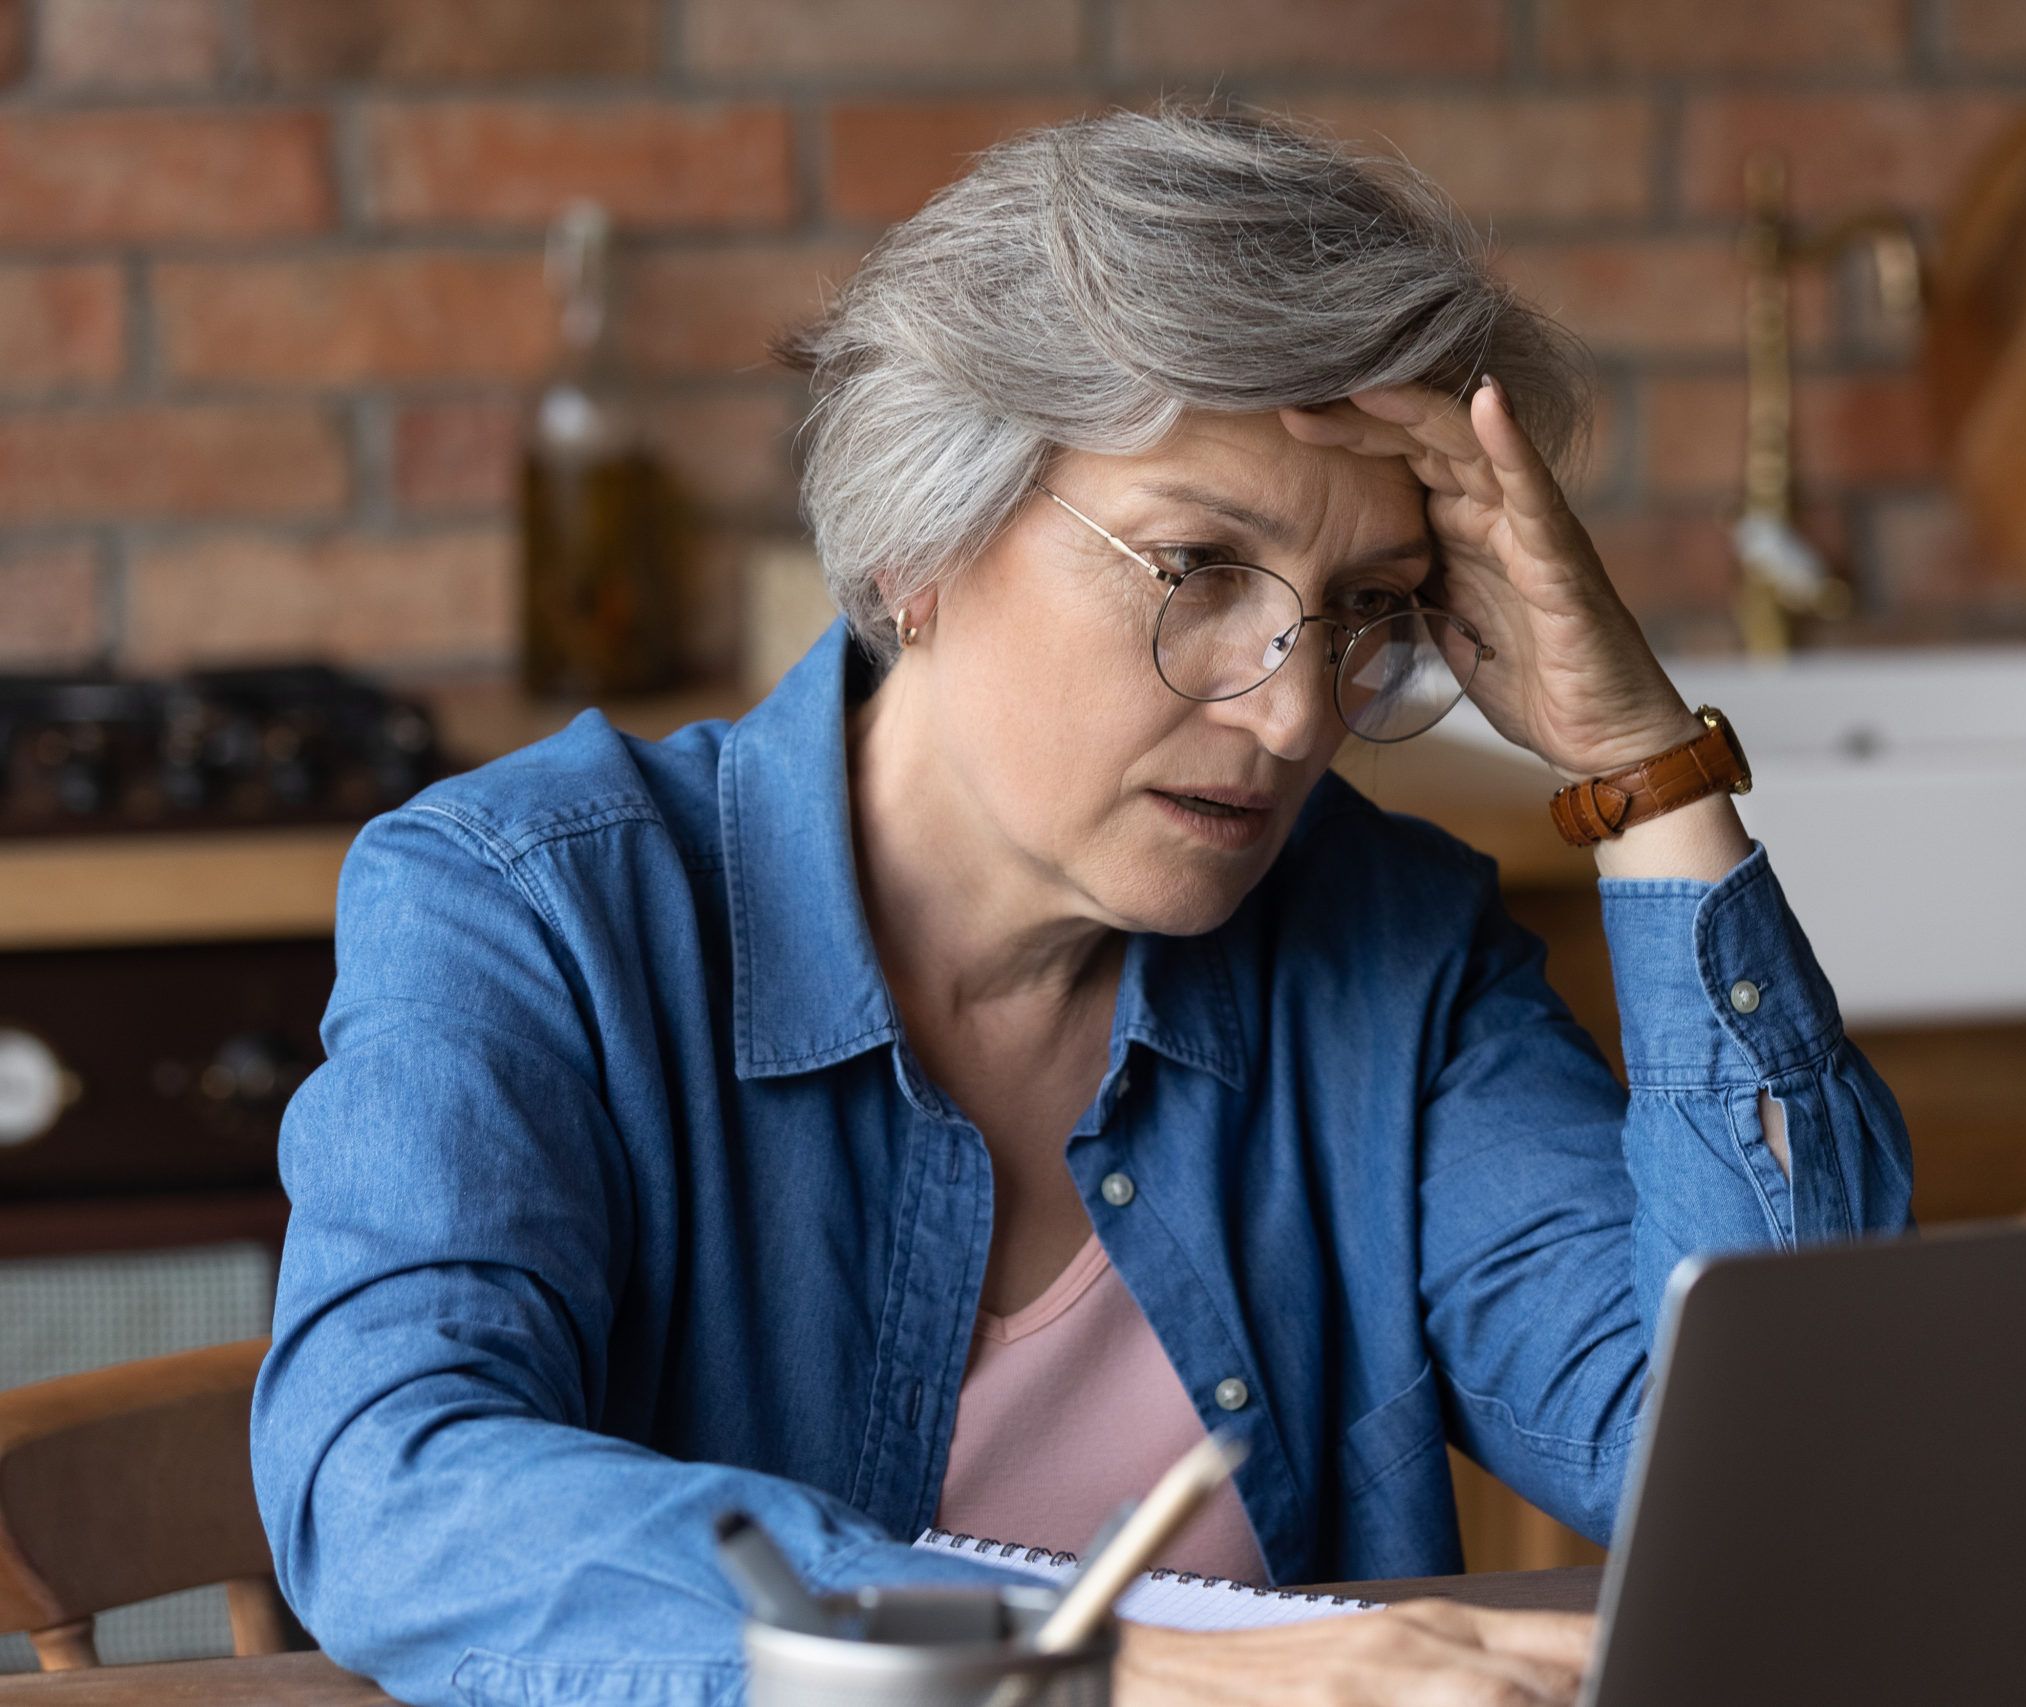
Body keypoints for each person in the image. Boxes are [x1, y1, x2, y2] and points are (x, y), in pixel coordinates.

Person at [250, 103, 1914, 1707]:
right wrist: (1115, 1669)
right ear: (921, 544)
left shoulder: (1387, 946)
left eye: (1362, 612)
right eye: (1198, 573)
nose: (1287, 712)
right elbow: (399, 1488)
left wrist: (1643, 763)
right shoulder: (535, 911)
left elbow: (1786, 1486)